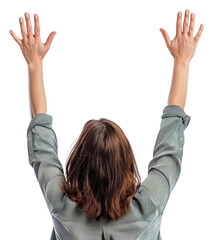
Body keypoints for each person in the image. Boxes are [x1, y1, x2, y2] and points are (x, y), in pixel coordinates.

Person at [9, 9, 203, 240]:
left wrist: (34, 63)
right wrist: (182, 61)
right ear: (126, 164)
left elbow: (42, 142)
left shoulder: (60, 204)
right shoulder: (150, 203)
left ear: (78, 166)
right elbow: (170, 142)